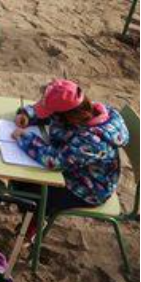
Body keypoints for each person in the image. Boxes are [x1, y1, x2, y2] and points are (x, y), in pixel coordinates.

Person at [10, 79, 130, 230]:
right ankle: (34, 217)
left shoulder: (92, 141)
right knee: (22, 182)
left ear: (68, 117)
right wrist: (28, 115)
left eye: (55, 114)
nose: (52, 116)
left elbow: (54, 161)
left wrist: (25, 138)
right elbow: (49, 113)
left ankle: (34, 224)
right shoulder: (85, 111)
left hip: (87, 189)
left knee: (28, 190)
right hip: (73, 170)